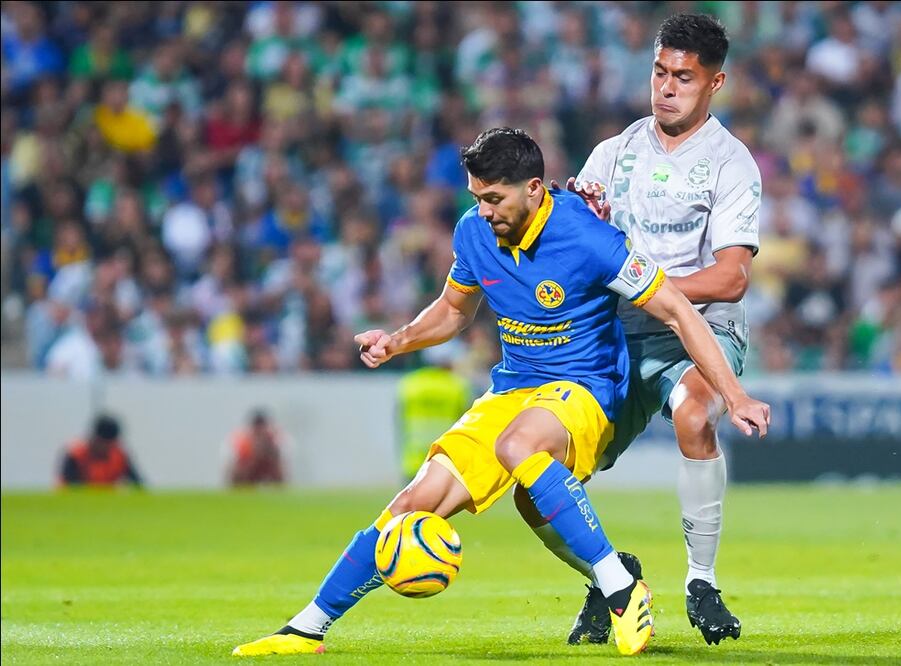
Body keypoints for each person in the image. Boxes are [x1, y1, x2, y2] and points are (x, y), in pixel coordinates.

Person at [232, 127, 769, 657]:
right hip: (513, 388)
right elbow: (452, 310)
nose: (484, 211)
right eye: (477, 197)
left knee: (519, 448)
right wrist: (397, 341)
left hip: (583, 387)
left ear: (534, 189)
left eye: (495, 198)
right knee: (412, 506)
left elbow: (676, 309)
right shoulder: (472, 232)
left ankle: (621, 591)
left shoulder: (589, 238)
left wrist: (735, 394)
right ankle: (305, 628)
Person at [534, 13, 763, 646]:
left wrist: (648, 287)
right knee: (550, 466)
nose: (665, 88)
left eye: (683, 78)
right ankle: (610, 578)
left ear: (715, 82)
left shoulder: (730, 164)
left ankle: (701, 582)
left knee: (695, 414)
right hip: (613, 339)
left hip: (698, 331)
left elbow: (730, 280)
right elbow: (573, 242)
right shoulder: (614, 153)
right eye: (660, 72)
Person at [395, 347, 473, 483]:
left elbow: (400, 418)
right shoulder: (458, 386)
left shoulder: (410, 383)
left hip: (414, 458)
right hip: (446, 458)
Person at [57, 414, 143, 487]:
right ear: (94, 438)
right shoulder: (76, 454)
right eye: (104, 442)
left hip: (109, 504)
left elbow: (138, 484)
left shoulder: (119, 456)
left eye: (111, 443)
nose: (107, 447)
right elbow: (68, 486)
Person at [227, 409, 287, 486]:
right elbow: (235, 468)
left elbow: (281, 463)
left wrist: (268, 450)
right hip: (248, 472)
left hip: (268, 469)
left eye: (262, 426)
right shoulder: (243, 440)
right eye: (257, 427)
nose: (259, 430)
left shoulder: (275, 439)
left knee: (278, 468)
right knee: (238, 470)